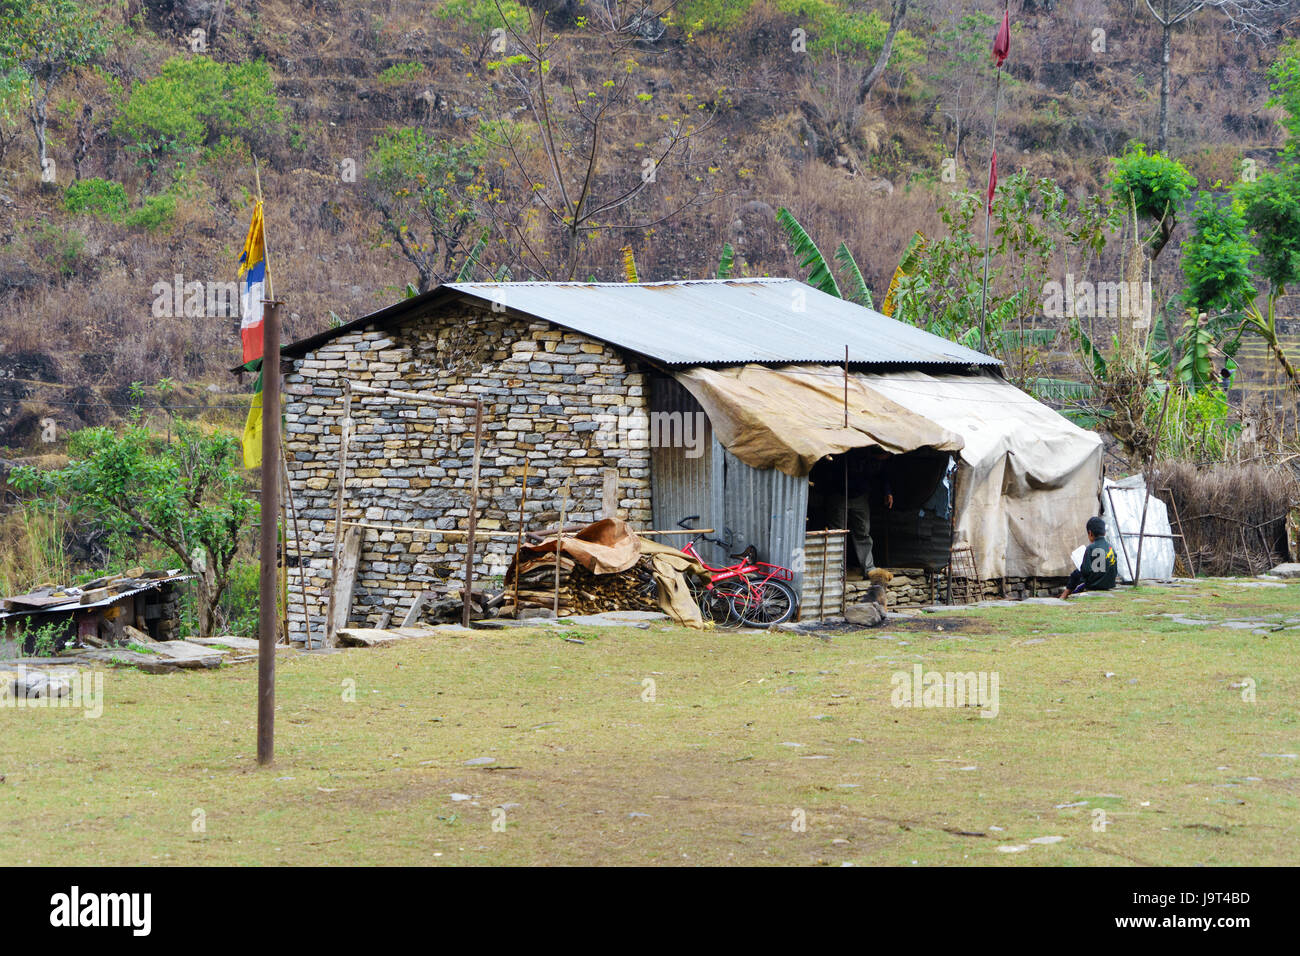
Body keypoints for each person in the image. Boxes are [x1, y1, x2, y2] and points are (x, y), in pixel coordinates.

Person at [824, 447, 893, 574]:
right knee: (837, 534)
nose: (887, 457)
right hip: (839, 495)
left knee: (863, 532)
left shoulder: (880, 462)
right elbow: (832, 471)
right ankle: (836, 569)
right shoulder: (855, 453)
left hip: (860, 497)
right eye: (886, 454)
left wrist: (887, 492)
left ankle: (868, 568)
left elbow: (884, 475)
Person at [1060, 516, 1118, 599]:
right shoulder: (1111, 547)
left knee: (1076, 574)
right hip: (1109, 584)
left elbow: (1085, 571)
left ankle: (1064, 595)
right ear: (1104, 533)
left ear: (1090, 533)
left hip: (1094, 585)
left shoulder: (1090, 548)